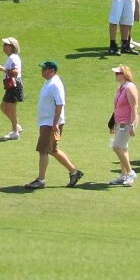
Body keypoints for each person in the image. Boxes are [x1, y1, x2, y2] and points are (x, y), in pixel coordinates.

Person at [29, 59, 81, 188]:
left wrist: (55, 123)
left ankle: (41, 180)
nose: (42, 71)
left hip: (50, 123)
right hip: (47, 122)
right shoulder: (49, 82)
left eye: (44, 69)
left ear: (51, 70)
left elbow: (59, 104)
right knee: (52, 150)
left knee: (43, 150)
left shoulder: (55, 84)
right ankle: (74, 172)